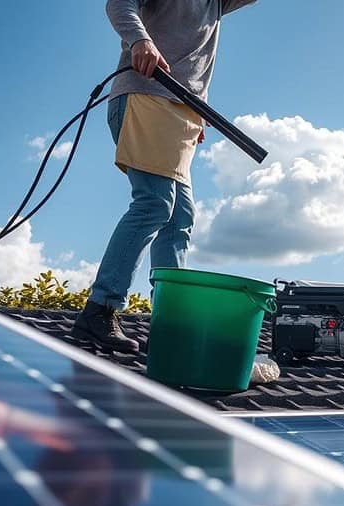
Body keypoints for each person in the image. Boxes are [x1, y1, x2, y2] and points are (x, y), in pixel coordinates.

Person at [74, 0, 257, 352]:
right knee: (155, 203)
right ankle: (101, 308)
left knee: (179, 218)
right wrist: (140, 40)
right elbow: (119, 3)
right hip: (147, 94)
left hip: (182, 113)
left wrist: (193, 112)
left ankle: (171, 322)